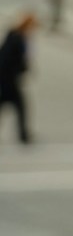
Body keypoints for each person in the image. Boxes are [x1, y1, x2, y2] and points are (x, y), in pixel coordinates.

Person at [0, 12, 36, 145]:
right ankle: (23, 136)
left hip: (8, 79)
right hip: (8, 80)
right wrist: (20, 69)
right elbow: (6, 59)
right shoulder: (16, 38)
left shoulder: (16, 36)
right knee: (21, 107)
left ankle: (23, 135)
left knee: (15, 107)